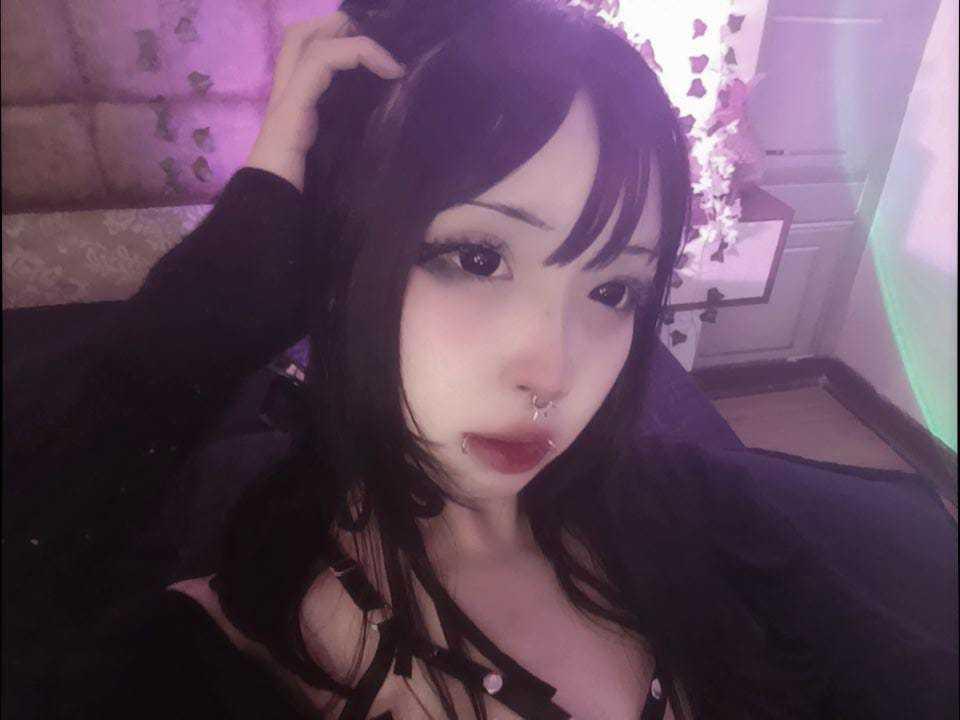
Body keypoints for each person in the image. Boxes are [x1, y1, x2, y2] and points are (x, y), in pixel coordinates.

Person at [2, 1, 957, 719]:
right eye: (476, 258)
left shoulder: (687, 512)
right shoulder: (222, 642)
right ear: (349, 259)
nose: (553, 371)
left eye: (614, 289)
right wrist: (223, 286)